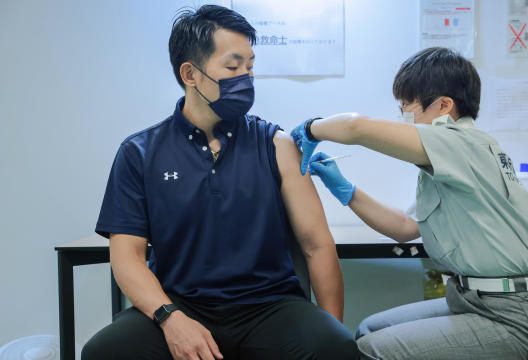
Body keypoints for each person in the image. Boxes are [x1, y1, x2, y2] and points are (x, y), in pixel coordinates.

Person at [82, 5, 357, 360]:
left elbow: (316, 246)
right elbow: (127, 258)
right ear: (190, 74)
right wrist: (170, 318)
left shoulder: (277, 145)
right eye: (232, 66)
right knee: (105, 352)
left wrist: (329, 325)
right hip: (179, 303)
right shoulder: (139, 153)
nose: (246, 76)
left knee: (333, 347)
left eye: (250, 66)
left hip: (269, 306)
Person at [291, 47, 528, 359]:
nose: (402, 117)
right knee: (368, 330)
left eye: (407, 106)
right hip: (474, 301)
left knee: (369, 350)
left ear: (444, 106)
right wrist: (345, 190)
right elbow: (405, 228)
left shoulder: (460, 143)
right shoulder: (456, 159)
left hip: (512, 318)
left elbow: (355, 127)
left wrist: (309, 128)